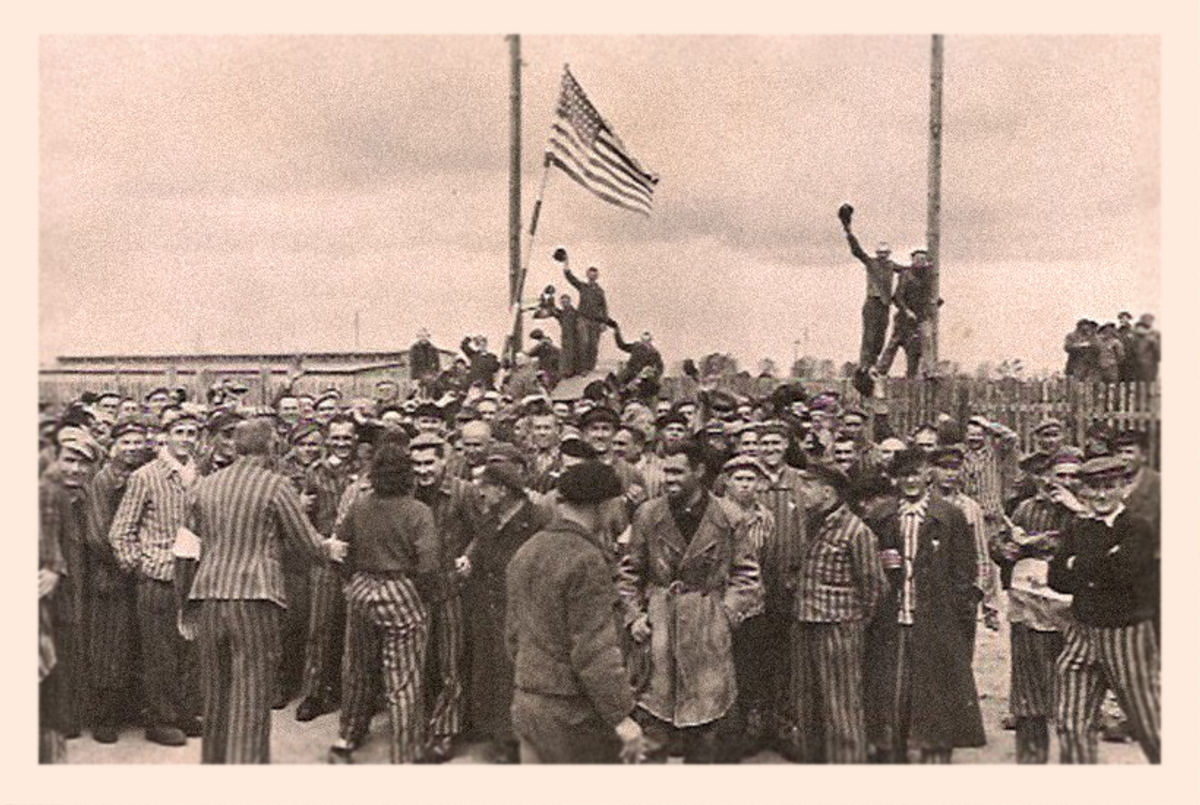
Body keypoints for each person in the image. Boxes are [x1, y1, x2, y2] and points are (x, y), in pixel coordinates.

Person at [182, 418, 343, 764]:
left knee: (216, 689)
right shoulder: (276, 485)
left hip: (208, 594)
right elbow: (306, 542)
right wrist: (329, 546)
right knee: (252, 690)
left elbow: (187, 545)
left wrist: (186, 601)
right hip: (256, 597)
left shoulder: (205, 485)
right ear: (271, 447)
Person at [617, 440, 763, 763]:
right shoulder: (648, 514)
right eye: (666, 471)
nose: (669, 479)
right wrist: (635, 617)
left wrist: (726, 614)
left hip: (707, 628)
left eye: (677, 472)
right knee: (652, 721)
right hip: (659, 628)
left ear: (699, 472)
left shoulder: (728, 516)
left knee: (707, 723)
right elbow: (628, 573)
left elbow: (747, 574)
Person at [505, 461, 645, 764]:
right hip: (572, 713)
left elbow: (512, 636)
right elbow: (594, 651)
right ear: (606, 505)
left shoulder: (526, 550)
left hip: (527, 701)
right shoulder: (586, 559)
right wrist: (620, 716)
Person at [863, 448, 985, 763]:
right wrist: (881, 562)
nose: (911, 482)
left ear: (927, 475)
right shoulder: (882, 515)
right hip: (894, 611)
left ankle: (935, 747)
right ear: (896, 479)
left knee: (935, 681)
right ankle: (894, 746)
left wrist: (958, 609)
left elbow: (964, 567)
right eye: (905, 476)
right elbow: (866, 563)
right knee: (894, 682)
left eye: (916, 474)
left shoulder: (948, 515)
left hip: (935, 612)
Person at [1049, 455, 1160, 764]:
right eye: (1093, 488)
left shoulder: (1138, 527)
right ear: (1083, 491)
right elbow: (1056, 578)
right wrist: (1101, 562)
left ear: (1124, 488)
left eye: (1108, 487)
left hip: (1124, 633)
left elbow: (1123, 573)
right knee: (1070, 719)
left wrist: (1078, 564)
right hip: (1082, 630)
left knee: (1149, 719)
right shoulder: (1078, 526)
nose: (1100, 495)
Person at [334, 443, 440, 764]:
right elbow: (429, 564)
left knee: (357, 667)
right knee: (403, 675)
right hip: (401, 589)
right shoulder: (418, 511)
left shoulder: (360, 505)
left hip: (363, 587)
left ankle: (349, 734)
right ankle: (405, 751)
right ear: (408, 474)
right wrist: (423, 595)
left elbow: (339, 547)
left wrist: (351, 580)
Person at [108, 407, 204, 746]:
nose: (185, 439)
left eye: (191, 433)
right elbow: (120, 532)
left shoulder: (201, 476)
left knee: (190, 649)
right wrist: (140, 567)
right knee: (159, 653)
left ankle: (185, 713)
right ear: (165, 436)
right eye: (179, 432)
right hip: (158, 577)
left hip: (194, 575)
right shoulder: (145, 477)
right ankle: (161, 719)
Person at [991, 451, 1083, 763]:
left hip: (1072, 610)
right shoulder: (1026, 509)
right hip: (1029, 603)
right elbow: (1000, 545)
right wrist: (1008, 548)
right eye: (1062, 475)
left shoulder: (1088, 511)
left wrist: (1078, 511)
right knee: (1029, 685)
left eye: (1074, 476)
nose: (1067, 482)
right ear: (1047, 478)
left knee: (1072, 685)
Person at [792, 461, 887, 763]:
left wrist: (853, 623)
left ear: (828, 492)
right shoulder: (808, 522)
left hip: (839, 629)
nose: (802, 492)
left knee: (841, 705)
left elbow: (875, 587)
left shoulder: (856, 531)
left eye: (808, 486)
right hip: (806, 623)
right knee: (807, 704)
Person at [465, 460, 554, 762]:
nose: (479, 494)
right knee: (492, 676)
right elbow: (480, 554)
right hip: (489, 611)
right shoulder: (491, 519)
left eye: (484, 487)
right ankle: (502, 738)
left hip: (522, 615)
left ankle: (520, 743)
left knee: (518, 679)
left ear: (502, 490)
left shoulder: (537, 521)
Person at [410, 433, 486, 762]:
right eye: (417, 464)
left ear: (444, 460)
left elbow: (484, 530)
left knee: (450, 661)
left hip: (452, 587)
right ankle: (423, 723)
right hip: (415, 588)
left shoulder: (463, 491)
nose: (423, 470)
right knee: (419, 660)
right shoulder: (408, 492)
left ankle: (445, 731)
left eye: (429, 463)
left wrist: (469, 555)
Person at [85, 419, 152, 744]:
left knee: (136, 646)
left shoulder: (145, 476)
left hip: (140, 573)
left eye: (138, 441)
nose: (133, 447)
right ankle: (104, 717)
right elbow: (98, 535)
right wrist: (127, 561)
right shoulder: (103, 480)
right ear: (114, 446)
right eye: (126, 442)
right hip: (111, 577)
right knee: (109, 648)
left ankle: (131, 710)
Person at [40, 429, 103, 744]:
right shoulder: (45, 494)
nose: (75, 469)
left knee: (73, 648)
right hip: (52, 585)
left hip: (80, 586)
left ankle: (71, 715)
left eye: (83, 463)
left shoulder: (86, 495)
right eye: (69, 460)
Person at [295, 415, 359, 721]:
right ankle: (314, 693)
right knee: (320, 627)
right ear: (327, 440)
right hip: (323, 557)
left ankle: (355, 694)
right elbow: (304, 518)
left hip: (358, 558)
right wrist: (322, 544)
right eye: (336, 438)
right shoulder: (315, 472)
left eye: (347, 438)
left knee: (356, 629)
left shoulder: (365, 472)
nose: (342, 444)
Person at [840, 204, 899, 380]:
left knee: (880, 338)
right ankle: (864, 366)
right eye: (880, 254)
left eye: (885, 254)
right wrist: (849, 232)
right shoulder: (871, 263)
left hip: (885, 305)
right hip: (873, 303)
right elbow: (857, 251)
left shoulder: (891, 265)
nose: (882, 256)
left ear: (888, 254)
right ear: (877, 254)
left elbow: (906, 270)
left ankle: (872, 365)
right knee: (869, 337)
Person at [877, 249, 935, 378]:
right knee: (895, 342)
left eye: (923, 260)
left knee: (926, 341)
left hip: (921, 316)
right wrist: (906, 310)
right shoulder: (906, 275)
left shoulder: (928, 276)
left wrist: (931, 307)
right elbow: (898, 297)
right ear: (913, 261)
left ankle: (929, 371)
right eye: (918, 259)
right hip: (904, 316)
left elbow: (929, 296)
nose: (920, 262)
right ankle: (881, 370)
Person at [559, 250, 610, 375]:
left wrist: (604, 322)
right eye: (590, 275)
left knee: (593, 345)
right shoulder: (583, 287)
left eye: (594, 275)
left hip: (595, 321)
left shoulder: (600, 291)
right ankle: (582, 369)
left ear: (597, 276)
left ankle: (590, 367)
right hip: (583, 318)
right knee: (584, 342)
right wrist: (566, 264)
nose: (592, 277)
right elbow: (571, 278)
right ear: (587, 275)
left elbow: (604, 307)